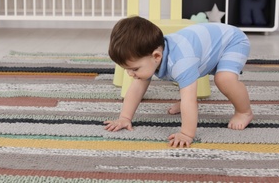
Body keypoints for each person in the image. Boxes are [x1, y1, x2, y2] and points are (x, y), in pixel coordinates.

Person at [104, 16, 253, 148]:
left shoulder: (181, 62)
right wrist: (124, 118)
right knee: (184, 87)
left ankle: (244, 112)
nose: (130, 74)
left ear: (156, 56)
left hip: (232, 41)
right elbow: (136, 89)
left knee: (224, 79)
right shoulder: (152, 56)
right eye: (126, 69)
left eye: (134, 69)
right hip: (206, 44)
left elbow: (190, 99)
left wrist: (187, 134)